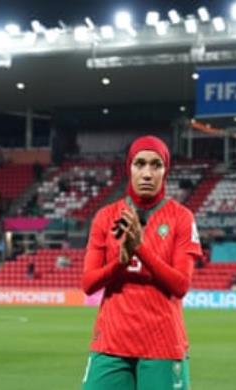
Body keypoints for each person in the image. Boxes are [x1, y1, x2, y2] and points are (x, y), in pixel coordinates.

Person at [81, 136, 201, 390]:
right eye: (140, 164)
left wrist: (140, 248)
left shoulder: (182, 218)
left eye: (156, 165)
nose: (147, 173)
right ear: (129, 168)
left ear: (165, 170)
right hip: (111, 341)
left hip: (162, 343)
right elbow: (88, 284)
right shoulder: (105, 217)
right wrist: (120, 264)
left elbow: (181, 285)